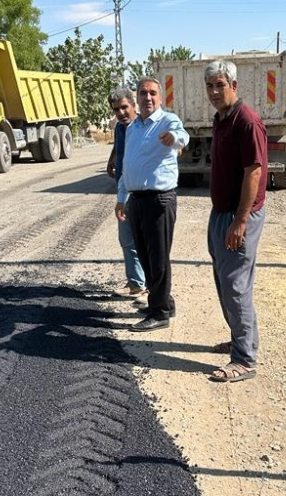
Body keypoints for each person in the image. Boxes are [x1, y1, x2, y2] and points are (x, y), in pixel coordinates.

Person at [204, 60, 267, 382]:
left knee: (235, 285)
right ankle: (241, 339)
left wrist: (240, 222)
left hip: (239, 216)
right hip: (221, 214)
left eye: (220, 85)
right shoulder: (221, 120)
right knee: (225, 283)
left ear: (234, 86)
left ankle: (244, 359)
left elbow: (253, 172)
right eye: (210, 86)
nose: (215, 92)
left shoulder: (247, 121)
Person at [115, 77, 189, 332]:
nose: (148, 97)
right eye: (143, 93)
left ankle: (159, 313)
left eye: (152, 93)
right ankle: (164, 302)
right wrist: (122, 197)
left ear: (160, 97)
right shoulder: (133, 127)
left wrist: (174, 139)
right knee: (146, 256)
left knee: (158, 258)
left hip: (159, 200)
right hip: (136, 199)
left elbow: (183, 136)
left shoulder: (168, 120)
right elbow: (127, 165)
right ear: (137, 97)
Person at [106, 87, 148, 304]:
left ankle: (150, 289)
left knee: (146, 240)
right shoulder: (120, 129)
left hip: (141, 191)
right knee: (127, 239)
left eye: (124, 107)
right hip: (124, 189)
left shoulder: (142, 127)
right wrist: (112, 159)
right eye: (116, 110)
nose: (121, 113)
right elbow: (118, 147)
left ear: (133, 105)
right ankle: (135, 284)